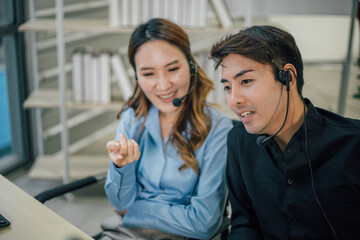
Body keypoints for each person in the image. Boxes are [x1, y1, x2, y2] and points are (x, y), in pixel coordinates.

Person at [210, 25, 360, 239]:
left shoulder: (354, 144)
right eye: (227, 87)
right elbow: (246, 224)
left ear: (287, 77)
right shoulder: (239, 142)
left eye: (246, 81)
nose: (234, 100)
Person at [102, 18, 233, 240]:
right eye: (148, 73)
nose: (163, 86)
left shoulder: (218, 127)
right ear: (137, 77)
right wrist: (121, 167)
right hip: (125, 233)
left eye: (172, 69)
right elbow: (119, 203)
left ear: (191, 66)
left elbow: (203, 224)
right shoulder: (132, 119)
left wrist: (135, 211)